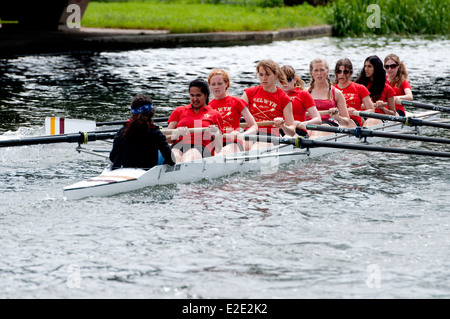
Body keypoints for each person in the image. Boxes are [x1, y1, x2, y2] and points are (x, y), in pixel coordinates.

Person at [110, 95, 176, 170]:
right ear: (152, 113)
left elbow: (112, 157)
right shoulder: (156, 134)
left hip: (120, 171)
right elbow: (172, 161)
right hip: (146, 173)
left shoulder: (121, 131)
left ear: (132, 113)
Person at [241, 59, 296, 149]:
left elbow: (292, 132)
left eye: (268, 74)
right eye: (261, 75)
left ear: (276, 75)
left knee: (256, 148)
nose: (264, 78)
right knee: (238, 147)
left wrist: (283, 126)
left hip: (270, 134)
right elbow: (234, 113)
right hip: (250, 132)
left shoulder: (284, 98)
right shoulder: (249, 93)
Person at [166, 79, 224, 162]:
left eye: (198, 95)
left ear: (206, 95)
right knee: (174, 157)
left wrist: (216, 134)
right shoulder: (179, 111)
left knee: (190, 155)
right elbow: (165, 139)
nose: (195, 99)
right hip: (178, 146)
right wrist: (176, 135)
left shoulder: (215, 115)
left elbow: (219, 149)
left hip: (201, 148)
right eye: (192, 95)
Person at [207, 69, 258, 154]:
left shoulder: (237, 102)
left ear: (226, 84)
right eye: (213, 84)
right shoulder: (208, 106)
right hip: (216, 143)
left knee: (225, 151)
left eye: (220, 84)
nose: (216, 87)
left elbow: (254, 127)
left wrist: (241, 135)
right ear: (210, 86)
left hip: (234, 142)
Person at [307, 58, 355, 137]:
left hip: (328, 125)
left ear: (327, 71)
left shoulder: (337, 93)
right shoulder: (305, 93)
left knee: (318, 131)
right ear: (311, 73)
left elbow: (346, 122)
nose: (319, 73)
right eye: (316, 70)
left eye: (322, 70)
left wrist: (337, 117)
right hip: (309, 125)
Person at [280, 65, 321, 137]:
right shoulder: (274, 95)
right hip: (278, 131)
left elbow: (318, 120)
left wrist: (301, 123)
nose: (285, 83)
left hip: (298, 131)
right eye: (282, 80)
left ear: (295, 80)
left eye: (288, 79)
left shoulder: (303, 95)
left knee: (287, 137)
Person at [356, 55, 396, 126]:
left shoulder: (387, 89)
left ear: (376, 68)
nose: (366, 69)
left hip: (378, 118)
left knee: (370, 121)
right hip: (361, 116)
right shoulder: (358, 85)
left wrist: (383, 108)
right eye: (365, 66)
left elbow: (393, 113)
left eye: (369, 66)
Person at [333, 58, 375, 127]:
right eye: (339, 71)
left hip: (353, 121)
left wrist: (356, 112)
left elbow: (371, 110)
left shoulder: (360, 88)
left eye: (345, 72)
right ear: (336, 73)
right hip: (335, 121)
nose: (342, 74)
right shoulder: (331, 90)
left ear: (350, 73)